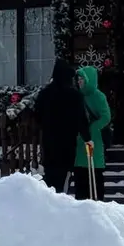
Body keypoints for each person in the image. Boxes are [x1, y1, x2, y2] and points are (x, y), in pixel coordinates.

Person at [33, 58, 91, 194]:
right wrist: (87, 138)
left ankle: (50, 201)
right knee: (64, 177)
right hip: (67, 142)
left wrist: (46, 126)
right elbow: (81, 119)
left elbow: (37, 116)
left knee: (50, 175)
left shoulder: (44, 94)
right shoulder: (74, 95)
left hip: (50, 141)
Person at [73, 64, 112, 201]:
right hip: (80, 142)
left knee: (95, 175)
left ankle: (97, 202)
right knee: (81, 177)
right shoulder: (77, 96)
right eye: (78, 80)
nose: (79, 82)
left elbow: (106, 116)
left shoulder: (99, 96)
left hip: (95, 140)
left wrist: (94, 128)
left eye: (82, 79)